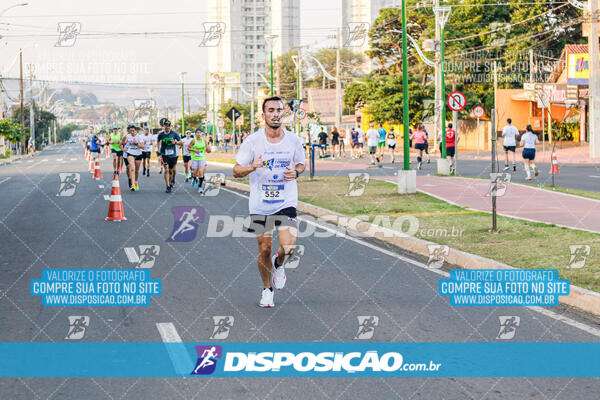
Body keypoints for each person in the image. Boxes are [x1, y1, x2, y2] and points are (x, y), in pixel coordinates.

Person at [232, 97, 306, 308]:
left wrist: (297, 172)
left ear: (283, 114)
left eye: (279, 110)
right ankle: (267, 290)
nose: (275, 113)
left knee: (289, 247)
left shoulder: (293, 140)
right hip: (260, 203)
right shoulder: (252, 142)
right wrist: (251, 167)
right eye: (271, 110)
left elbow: (301, 163)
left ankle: (278, 263)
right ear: (263, 115)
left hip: (286, 200)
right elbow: (236, 171)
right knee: (264, 248)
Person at [156, 120, 182, 193]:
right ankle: (167, 186)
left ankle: (171, 180)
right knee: (166, 169)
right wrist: (158, 149)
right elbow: (158, 141)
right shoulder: (161, 135)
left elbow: (181, 142)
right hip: (164, 154)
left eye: (168, 125)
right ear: (163, 126)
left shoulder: (174, 134)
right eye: (165, 125)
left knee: (171, 171)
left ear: (170, 126)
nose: (166, 127)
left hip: (173, 155)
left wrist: (175, 142)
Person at [121, 125, 144, 191]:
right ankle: (132, 185)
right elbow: (122, 142)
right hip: (130, 153)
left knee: (136, 170)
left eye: (133, 131)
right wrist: (124, 148)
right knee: (132, 168)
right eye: (130, 131)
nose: (132, 132)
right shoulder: (127, 136)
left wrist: (137, 143)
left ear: (135, 130)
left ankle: (136, 182)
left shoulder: (139, 137)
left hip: (138, 154)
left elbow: (143, 147)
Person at [188, 129, 211, 193]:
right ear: (195, 134)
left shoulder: (204, 140)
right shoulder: (193, 141)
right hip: (194, 158)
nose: (199, 134)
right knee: (195, 173)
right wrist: (195, 150)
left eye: (200, 133)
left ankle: (200, 187)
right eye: (197, 133)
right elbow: (188, 148)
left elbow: (208, 149)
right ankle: (194, 178)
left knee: (201, 172)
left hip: (202, 158)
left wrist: (209, 149)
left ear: (201, 134)